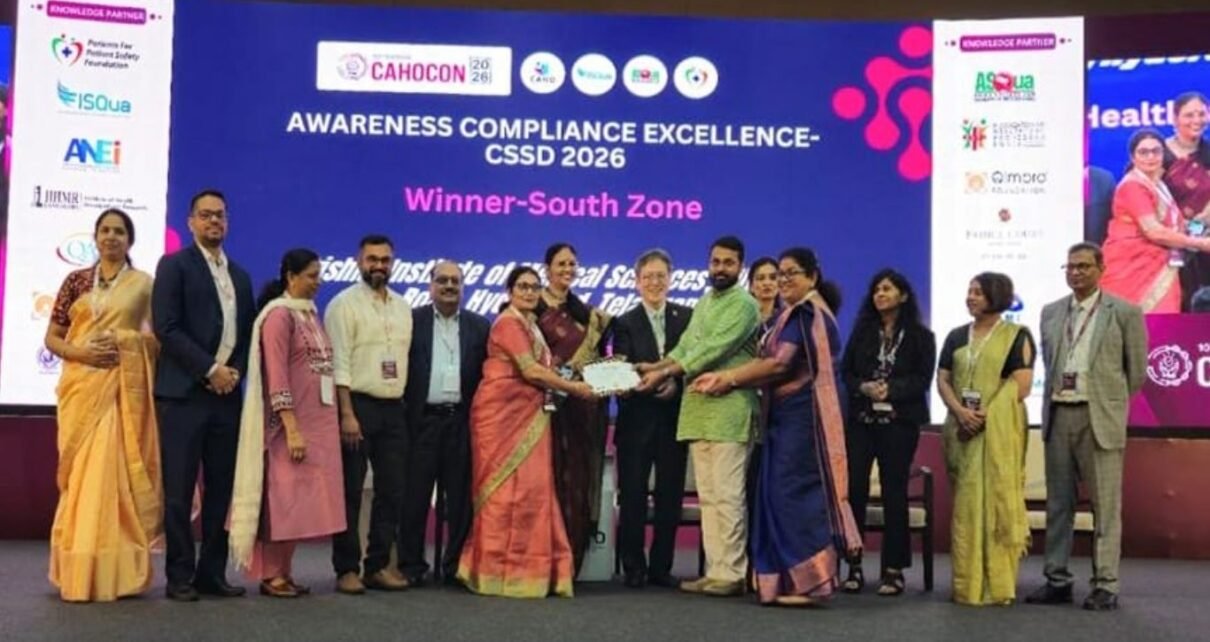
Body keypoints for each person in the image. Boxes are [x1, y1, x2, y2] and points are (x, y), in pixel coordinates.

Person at [694, 247, 860, 606]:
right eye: (780, 273)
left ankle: (811, 584)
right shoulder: (792, 314)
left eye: (791, 273)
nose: (783, 280)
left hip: (806, 418)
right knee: (775, 494)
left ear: (812, 277)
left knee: (794, 494)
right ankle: (785, 583)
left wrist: (728, 378)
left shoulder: (807, 313)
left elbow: (778, 365)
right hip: (784, 417)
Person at [456, 266, 597, 598]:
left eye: (534, 287)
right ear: (509, 291)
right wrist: (574, 389)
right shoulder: (508, 323)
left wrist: (579, 376)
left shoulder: (531, 325)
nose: (529, 292)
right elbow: (530, 371)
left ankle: (530, 572)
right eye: (522, 286)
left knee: (533, 492)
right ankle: (494, 572)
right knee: (502, 495)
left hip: (530, 416)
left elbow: (545, 369)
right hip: (500, 418)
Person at [44, 209, 161, 602]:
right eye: (105, 230)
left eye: (119, 231)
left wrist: (127, 342)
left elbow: (157, 341)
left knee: (112, 476)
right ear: (95, 238)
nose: (111, 237)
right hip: (81, 388)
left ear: (130, 240)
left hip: (120, 393)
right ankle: (78, 565)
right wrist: (81, 353)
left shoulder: (143, 285)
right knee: (82, 478)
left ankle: (117, 570)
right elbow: (52, 338)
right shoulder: (75, 281)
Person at [1026, 242, 1148, 612]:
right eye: (1070, 266)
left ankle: (1105, 584)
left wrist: (1109, 402)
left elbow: (1136, 372)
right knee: (1058, 504)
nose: (1076, 272)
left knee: (1104, 507)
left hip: (1099, 418)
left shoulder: (1124, 312)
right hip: (1059, 415)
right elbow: (1050, 362)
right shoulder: (1050, 312)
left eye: (1083, 266)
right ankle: (1057, 579)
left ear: (1101, 269)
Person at [636, 235, 759, 598]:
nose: (720, 268)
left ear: (740, 267)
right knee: (708, 497)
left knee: (728, 496)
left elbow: (712, 350)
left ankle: (733, 573)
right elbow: (687, 346)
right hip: (699, 410)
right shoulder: (705, 302)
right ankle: (716, 571)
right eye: (715, 262)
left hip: (730, 411)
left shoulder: (745, 305)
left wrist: (664, 372)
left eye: (728, 263)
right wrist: (655, 366)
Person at [153, 189, 255, 601]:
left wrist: (233, 373)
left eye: (220, 215)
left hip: (226, 397)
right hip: (183, 395)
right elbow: (166, 327)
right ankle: (179, 575)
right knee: (179, 492)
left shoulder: (240, 275)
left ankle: (211, 573)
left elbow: (247, 335)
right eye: (206, 215)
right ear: (191, 221)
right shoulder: (174, 265)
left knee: (221, 489)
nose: (214, 221)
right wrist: (210, 370)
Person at [228, 249, 346, 598]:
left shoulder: (310, 314)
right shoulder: (278, 317)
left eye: (319, 274)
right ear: (291, 277)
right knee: (281, 502)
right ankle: (271, 574)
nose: (318, 282)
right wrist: (291, 428)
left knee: (300, 504)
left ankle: (285, 571)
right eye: (311, 275)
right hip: (286, 427)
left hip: (318, 424)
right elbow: (277, 377)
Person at [937, 272, 1035, 606]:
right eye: (969, 291)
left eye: (978, 292)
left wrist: (985, 417)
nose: (970, 297)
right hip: (960, 431)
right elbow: (943, 379)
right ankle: (967, 585)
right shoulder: (955, 336)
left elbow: (1020, 385)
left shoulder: (1017, 335)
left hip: (998, 432)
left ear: (996, 295)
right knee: (966, 507)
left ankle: (997, 585)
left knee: (996, 503)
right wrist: (960, 412)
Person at [840, 268, 936, 596]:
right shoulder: (863, 332)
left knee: (894, 493)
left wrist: (891, 390)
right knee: (854, 490)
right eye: (876, 290)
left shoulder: (921, 336)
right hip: (862, 422)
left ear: (903, 295)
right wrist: (864, 387)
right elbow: (847, 372)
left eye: (887, 289)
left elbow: (922, 379)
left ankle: (893, 570)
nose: (880, 294)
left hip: (899, 423)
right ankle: (853, 565)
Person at [325, 235, 412, 594]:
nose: (379, 265)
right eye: (372, 259)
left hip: (394, 407)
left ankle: (377, 565)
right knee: (350, 490)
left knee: (392, 490)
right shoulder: (343, 305)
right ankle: (346, 568)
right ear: (359, 262)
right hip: (356, 407)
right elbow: (339, 363)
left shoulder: (403, 307)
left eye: (385, 260)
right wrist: (347, 413)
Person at [399, 260, 490, 586]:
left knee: (461, 499)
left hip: (461, 423)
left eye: (455, 281)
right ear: (430, 286)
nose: (449, 286)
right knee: (414, 498)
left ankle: (455, 566)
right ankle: (411, 566)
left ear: (463, 287)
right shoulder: (412, 321)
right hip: (422, 422)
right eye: (442, 280)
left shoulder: (480, 326)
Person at [611, 249, 691, 589]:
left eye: (661, 276)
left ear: (670, 279)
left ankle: (661, 568)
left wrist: (675, 384)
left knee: (669, 497)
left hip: (674, 421)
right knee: (632, 497)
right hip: (636, 423)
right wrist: (650, 383)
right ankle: (633, 567)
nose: (655, 283)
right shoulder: (624, 322)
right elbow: (622, 369)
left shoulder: (687, 317)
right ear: (637, 282)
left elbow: (695, 362)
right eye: (648, 277)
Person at [535, 243, 612, 575]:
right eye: (561, 263)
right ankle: (539, 562)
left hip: (580, 411)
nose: (567, 269)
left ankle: (569, 562)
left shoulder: (589, 316)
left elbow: (598, 362)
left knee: (576, 483)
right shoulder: (531, 308)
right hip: (541, 409)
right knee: (544, 481)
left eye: (572, 264)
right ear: (547, 269)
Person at [1102, 129, 1210, 313]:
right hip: (1133, 269)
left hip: (1161, 265)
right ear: (1133, 157)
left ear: (1163, 154)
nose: (1150, 157)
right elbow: (1154, 231)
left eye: (1156, 151)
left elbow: (1179, 225)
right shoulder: (1132, 186)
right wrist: (1200, 244)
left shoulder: (1158, 184)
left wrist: (1203, 223)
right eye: (1143, 152)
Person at [1163, 92, 1210, 310]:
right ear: (1175, 118)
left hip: (1205, 240)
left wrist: (1200, 224)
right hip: (1165, 243)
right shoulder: (1156, 154)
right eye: (1189, 115)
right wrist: (1179, 233)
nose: (1196, 120)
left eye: (1201, 114)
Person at [748, 256, 780, 336]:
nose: (767, 283)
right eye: (760, 278)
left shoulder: (786, 318)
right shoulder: (742, 318)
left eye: (773, 278)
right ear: (751, 286)